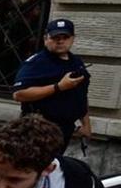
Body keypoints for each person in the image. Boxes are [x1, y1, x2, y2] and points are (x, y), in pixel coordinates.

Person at [11, 18, 90, 154]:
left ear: (72, 39)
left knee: (53, 168)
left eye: (65, 37)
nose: (60, 41)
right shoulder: (37, 63)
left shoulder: (76, 62)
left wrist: (86, 124)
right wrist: (58, 87)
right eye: (55, 37)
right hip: (39, 128)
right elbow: (19, 94)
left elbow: (81, 96)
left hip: (65, 129)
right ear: (45, 39)